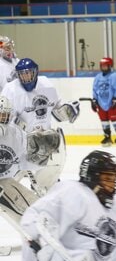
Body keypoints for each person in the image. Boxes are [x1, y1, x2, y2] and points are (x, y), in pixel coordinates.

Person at [1, 58, 79, 196]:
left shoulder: (47, 85)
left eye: (28, 73)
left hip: (45, 142)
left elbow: (57, 111)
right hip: (19, 143)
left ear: (35, 72)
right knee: (8, 182)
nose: (25, 77)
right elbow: (4, 117)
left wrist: (68, 111)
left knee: (48, 183)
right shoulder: (11, 89)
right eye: (22, 74)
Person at [0, 95, 56, 236]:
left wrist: (39, 157)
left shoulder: (15, 133)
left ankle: (40, 235)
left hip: (5, 182)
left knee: (33, 208)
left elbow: (24, 162)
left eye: (4, 115)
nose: (2, 118)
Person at [91, 57, 116, 146]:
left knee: (115, 120)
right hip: (101, 102)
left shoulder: (114, 76)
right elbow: (95, 89)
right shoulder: (98, 77)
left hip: (111, 102)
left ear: (110, 66)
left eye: (105, 66)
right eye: (102, 66)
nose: (103, 68)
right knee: (103, 120)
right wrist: (94, 100)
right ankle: (107, 137)